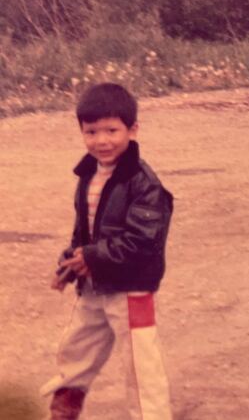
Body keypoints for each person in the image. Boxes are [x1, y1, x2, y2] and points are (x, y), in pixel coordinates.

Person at [42, 83, 174, 420]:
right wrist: (70, 265)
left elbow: (143, 242)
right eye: (92, 132)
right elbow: (83, 231)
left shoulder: (145, 184)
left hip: (132, 289)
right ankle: (65, 406)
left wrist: (93, 257)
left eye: (112, 130)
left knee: (140, 363)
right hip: (95, 284)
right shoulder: (88, 174)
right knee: (77, 348)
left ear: (133, 130)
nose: (102, 140)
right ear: (81, 132)